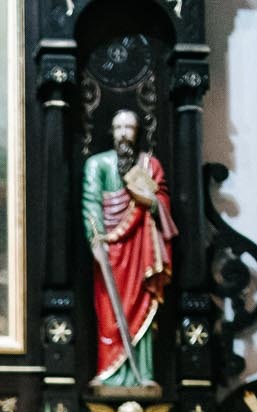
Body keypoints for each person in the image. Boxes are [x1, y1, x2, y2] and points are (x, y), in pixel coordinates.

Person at [81, 107, 175, 390]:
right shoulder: (97, 164)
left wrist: (150, 201)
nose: (124, 134)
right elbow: (91, 202)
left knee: (142, 305)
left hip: (141, 249)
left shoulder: (150, 166)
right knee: (109, 312)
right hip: (110, 250)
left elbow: (162, 202)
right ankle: (109, 372)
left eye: (129, 128)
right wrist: (96, 240)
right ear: (111, 131)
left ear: (137, 133)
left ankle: (142, 373)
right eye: (119, 128)